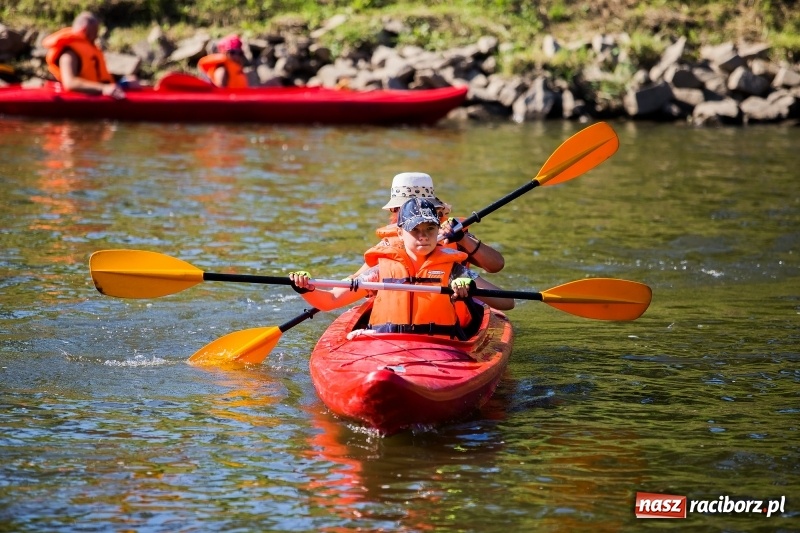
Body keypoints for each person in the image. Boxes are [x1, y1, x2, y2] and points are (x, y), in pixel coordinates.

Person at [290, 198, 514, 340]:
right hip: (386, 345)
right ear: (399, 233)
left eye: (430, 228)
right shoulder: (380, 270)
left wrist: (469, 288)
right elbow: (330, 301)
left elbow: (507, 302)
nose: (423, 236)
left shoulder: (454, 270)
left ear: (439, 231)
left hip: (440, 347)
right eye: (414, 230)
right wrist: (305, 289)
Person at [354, 172, 505, 278]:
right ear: (395, 210)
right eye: (404, 208)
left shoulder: (453, 232)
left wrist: (463, 239)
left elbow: (495, 265)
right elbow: (358, 277)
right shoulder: (391, 239)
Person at [42, 11, 136, 99]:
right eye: (95, 32)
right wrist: (103, 88)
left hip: (98, 91)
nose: (96, 37)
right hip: (76, 98)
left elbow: (98, 77)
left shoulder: (89, 48)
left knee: (129, 83)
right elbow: (70, 83)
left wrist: (123, 83)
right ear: (84, 30)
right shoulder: (69, 54)